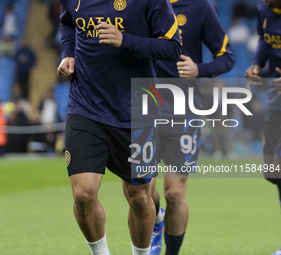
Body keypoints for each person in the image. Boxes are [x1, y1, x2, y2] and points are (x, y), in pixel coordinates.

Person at [57, 0, 182, 254]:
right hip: (85, 106)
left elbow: (172, 48)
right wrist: (67, 53)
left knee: (138, 197)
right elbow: (68, 22)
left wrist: (125, 40)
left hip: (136, 110)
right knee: (83, 195)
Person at [150, 0, 235, 254]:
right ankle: (155, 221)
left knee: (174, 194)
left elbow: (227, 57)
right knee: (141, 192)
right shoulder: (141, 4)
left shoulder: (200, 7)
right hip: (144, 106)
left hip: (184, 110)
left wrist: (200, 68)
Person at [245, 1, 281, 254]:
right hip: (276, 102)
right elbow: (265, 40)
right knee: (271, 170)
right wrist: (257, 64)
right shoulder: (263, 9)